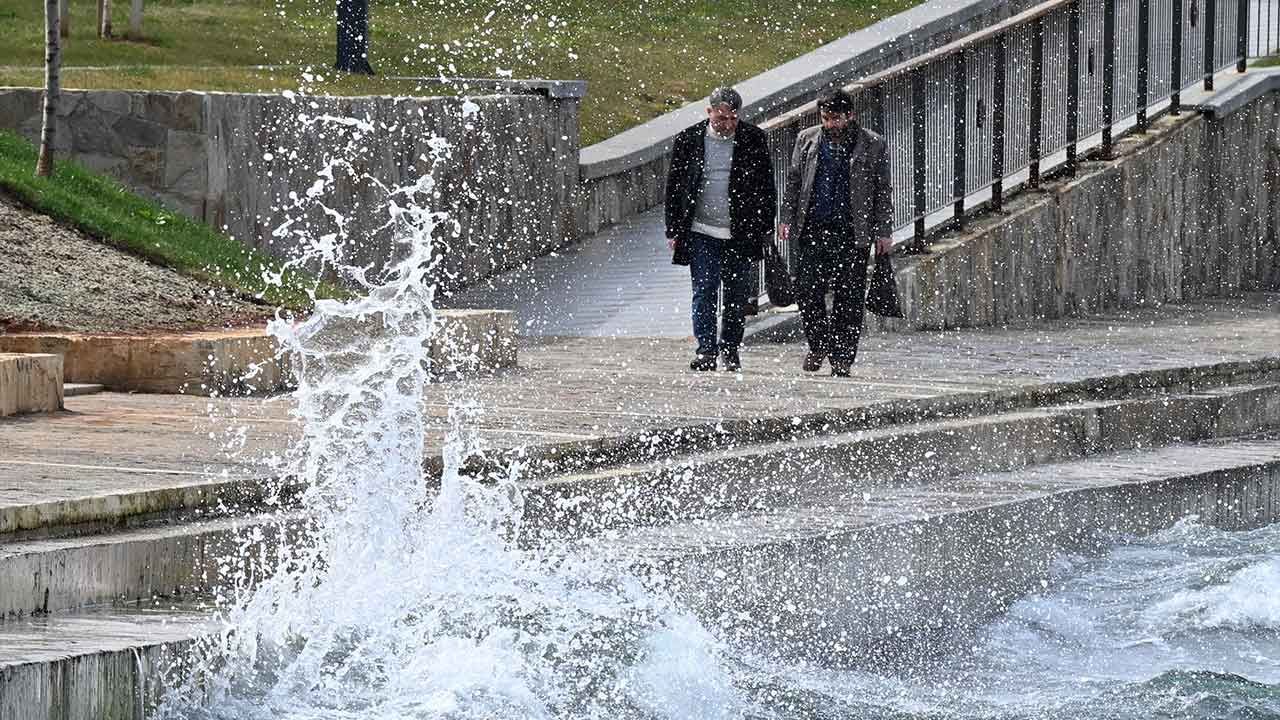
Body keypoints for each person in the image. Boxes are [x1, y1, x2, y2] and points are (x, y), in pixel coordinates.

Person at [779, 88, 894, 377]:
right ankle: (819, 344)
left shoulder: (872, 144)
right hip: (813, 228)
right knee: (806, 291)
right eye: (826, 118)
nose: (830, 124)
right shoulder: (807, 140)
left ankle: (842, 357)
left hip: (852, 231)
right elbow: (794, 181)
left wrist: (883, 231)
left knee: (850, 297)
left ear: (850, 115)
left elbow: (882, 191)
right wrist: (786, 217)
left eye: (835, 118)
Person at [666, 86, 776, 372]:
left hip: (740, 231)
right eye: (721, 118)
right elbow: (675, 186)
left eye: (732, 119)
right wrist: (673, 229)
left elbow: (766, 186)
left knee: (736, 294)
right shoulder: (690, 139)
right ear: (709, 112)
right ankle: (706, 348)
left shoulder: (753, 139)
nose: (726, 125)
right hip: (701, 229)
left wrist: (766, 226)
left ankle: (730, 348)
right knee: (704, 289)